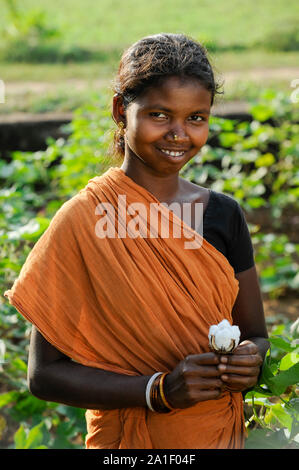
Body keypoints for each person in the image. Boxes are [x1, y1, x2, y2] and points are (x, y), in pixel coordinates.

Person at [4, 33, 269, 449]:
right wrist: (157, 391)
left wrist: (250, 360)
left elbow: (256, 333)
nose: (179, 134)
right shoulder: (84, 219)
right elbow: (44, 375)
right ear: (119, 110)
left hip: (217, 433)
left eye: (196, 118)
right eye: (159, 115)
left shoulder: (222, 214)